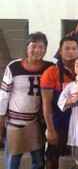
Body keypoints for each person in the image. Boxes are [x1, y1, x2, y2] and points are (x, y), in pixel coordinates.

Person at [0, 32, 53, 169]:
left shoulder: (50, 68)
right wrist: (0, 122)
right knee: (12, 162)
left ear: (46, 49)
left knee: (39, 162)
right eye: (33, 46)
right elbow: (3, 96)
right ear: (27, 48)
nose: (37, 50)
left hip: (37, 123)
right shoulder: (14, 67)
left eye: (41, 46)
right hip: (14, 123)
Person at [40, 36, 78, 169]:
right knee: (52, 154)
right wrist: (51, 130)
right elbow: (46, 104)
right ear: (60, 51)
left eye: (74, 48)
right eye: (67, 48)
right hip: (59, 123)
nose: (71, 51)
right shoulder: (50, 73)